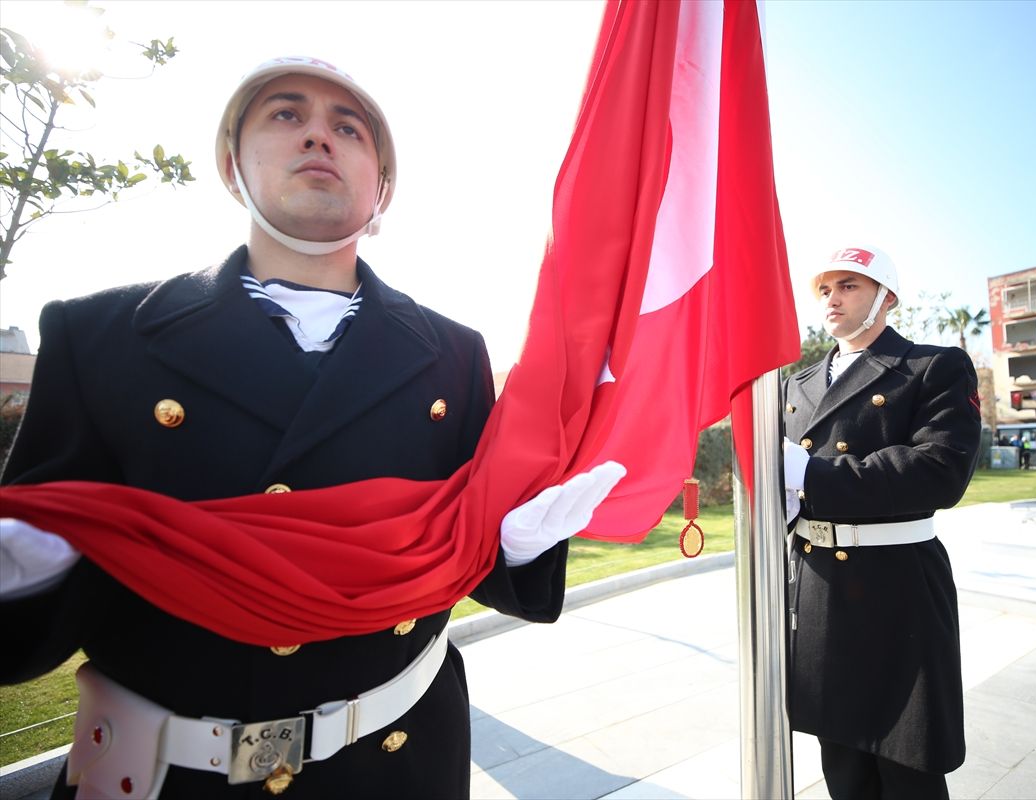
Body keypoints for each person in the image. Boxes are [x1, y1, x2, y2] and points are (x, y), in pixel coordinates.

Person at [0, 57, 621, 799]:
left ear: (381, 185)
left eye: (348, 128)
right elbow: (28, 632)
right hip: (172, 778)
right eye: (286, 115)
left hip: (395, 764)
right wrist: (28, 576)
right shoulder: (100, 336)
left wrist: (515, 544)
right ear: (233, 166)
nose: (319, 137)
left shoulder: (455, 353)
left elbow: (470, 558)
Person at [781, 245, 981, 800]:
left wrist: (813, 476)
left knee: (907, 765)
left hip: (897, 585)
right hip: (820, 586)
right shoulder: (796, 384)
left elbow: (940, 470)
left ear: (885, 297)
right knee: (842, 763)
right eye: (826, 289)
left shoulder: (932, 366)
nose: (833, 298)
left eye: (849, 285)